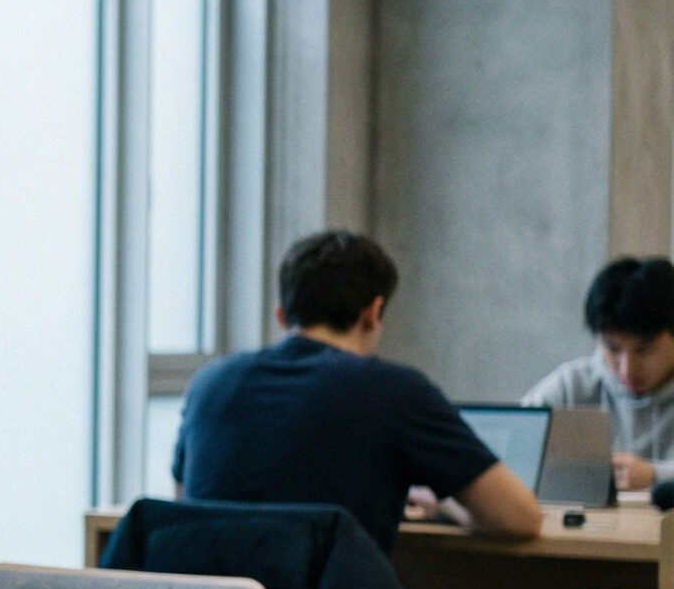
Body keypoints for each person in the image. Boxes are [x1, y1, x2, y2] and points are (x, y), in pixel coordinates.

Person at [172, 229, 543, 557]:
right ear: (373, 312)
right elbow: (518, 518)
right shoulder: (394, 391)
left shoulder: (209, 383)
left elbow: (183, 501)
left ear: (282, 316)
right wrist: (445, 499)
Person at [522, 255, 674, 492]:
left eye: (644, 350)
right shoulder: (571, 385)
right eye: (612, 349)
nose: (627, 369)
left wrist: (657, 475)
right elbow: (512, 445)